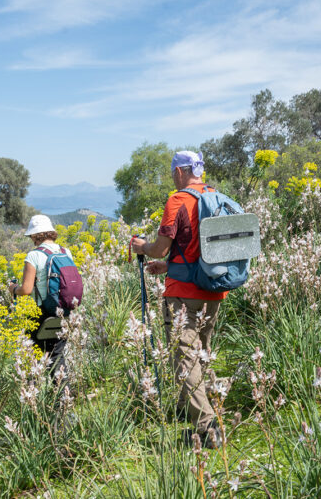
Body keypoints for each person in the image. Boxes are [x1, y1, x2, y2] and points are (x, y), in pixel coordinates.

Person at [130, 150, 226, 448]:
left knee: (185, 359)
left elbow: (160, 247)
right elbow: (201, 251)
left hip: (184, 295)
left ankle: (208, 431)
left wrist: (142, 247)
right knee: (203, 353)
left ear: (178, 172)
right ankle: (213, 415)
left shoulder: (178, 200)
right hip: (214, 290)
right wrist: (169, 265)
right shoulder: (215, 198)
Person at [8, 215, 72, 374]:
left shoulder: (34, 255)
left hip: (40, 314)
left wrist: (13, 288)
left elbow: (27, 290)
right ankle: (63, 396)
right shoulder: (66, 252)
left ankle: (34, 394)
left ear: (35, 235)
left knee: (34, 359)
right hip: (64, 312)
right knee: (58, 357)